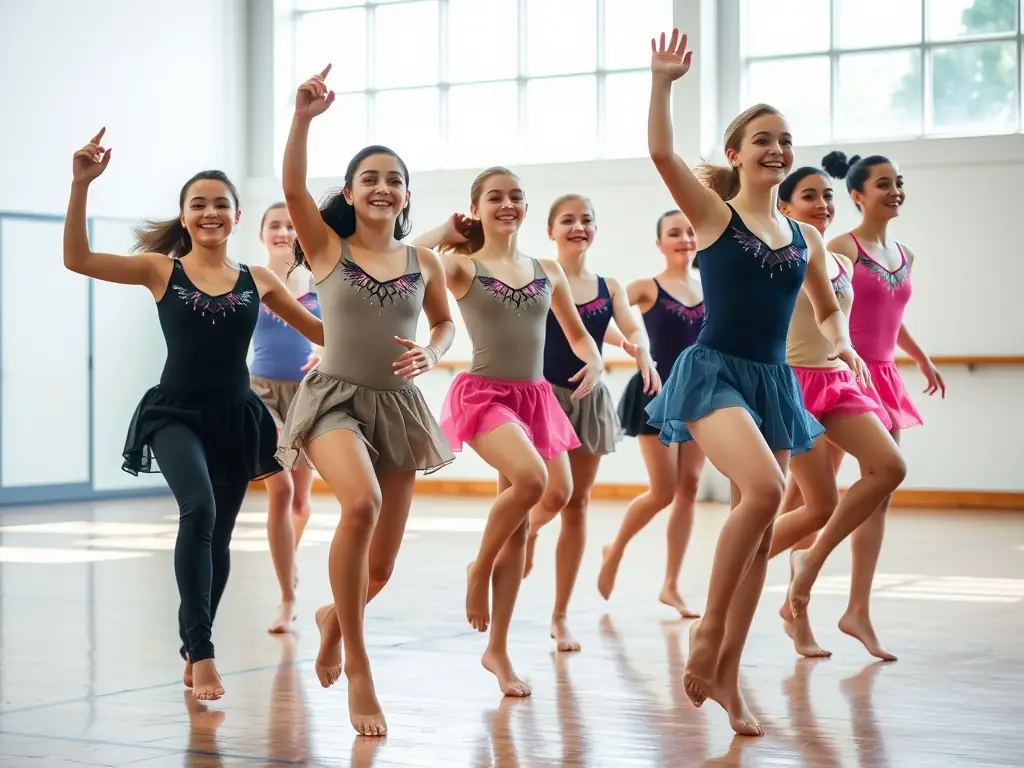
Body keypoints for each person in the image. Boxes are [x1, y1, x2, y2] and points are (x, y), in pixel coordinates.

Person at [643, 30, 869, 736]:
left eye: (786, 139)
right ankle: (706, 634)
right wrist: (662, 83)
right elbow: (660, 153)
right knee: (768, 491)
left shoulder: (804, 237)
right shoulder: (716, 215)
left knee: (762, 520)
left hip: (773, 381)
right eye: (762, 139)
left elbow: (828, 309)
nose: (777, 148)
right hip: (713, 373)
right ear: (736, 154)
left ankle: (728, 680)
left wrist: (842, 347)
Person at [63, 129, 325, 701]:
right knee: (199, 509)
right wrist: (81, 184)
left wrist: (394, 342)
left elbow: (323, 333)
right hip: (176, 413)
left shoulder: (260, 281)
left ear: (235, 218)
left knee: (220, 537)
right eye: (198, 204)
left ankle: (193, 643)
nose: (209, 212)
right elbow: (77, 258)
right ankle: (203, 651)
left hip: (236, 417)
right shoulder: (161, 271)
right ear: (185, 218)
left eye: (220, 204)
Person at [278, 65, 456, 736]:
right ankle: (360, 666)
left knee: (379, 566)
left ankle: (332, 619)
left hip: (398, 408)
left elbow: (442, 323)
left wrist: (434, 353)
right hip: (333, 402)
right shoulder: (327, 247)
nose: (383, 187)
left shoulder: (423, 262)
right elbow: (293, 186)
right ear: (350, 194)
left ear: (406, 196)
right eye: (370, 178)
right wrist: (303, 119)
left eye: (394, 179)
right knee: (361, 503)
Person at [412, 168, 603, 696]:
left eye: (515, 196)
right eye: (494, 197)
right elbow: (406, 261)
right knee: (531, 479)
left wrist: (596, 362)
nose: (507, 205)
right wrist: (445, 230)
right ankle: (480, 567)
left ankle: (496, 649)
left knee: (551, 497)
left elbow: (580, 336)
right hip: (486, 396)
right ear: (477, 207)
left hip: (536, 397)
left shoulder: (547, 270)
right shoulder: (462, 268)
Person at [809, 150, 945, 661]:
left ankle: (857, 609)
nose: (894, 191)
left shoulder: (905, 253)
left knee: (879, 491)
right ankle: (795, 594)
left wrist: (922, 358)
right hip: (841, 375)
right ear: (857, 195)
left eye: (898, 182)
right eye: (882, 184)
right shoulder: (840, 246)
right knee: (812, 502)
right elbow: (830, 308)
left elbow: (894, 316)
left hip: (883, 377)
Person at [768, 167, 907, 659]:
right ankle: (788, 609)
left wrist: (853, 352)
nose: (824, 204)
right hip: (794, 384)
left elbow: (844, 319)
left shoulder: (837, 259)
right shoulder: (781, 254)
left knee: (888, 468)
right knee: (800, 506)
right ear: (783, 206)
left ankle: (809, 566)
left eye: (827, 196)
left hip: (839, 380)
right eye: (809, 196)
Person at [522, 193, 660, 653]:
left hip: (588, 400)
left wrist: (637, 346)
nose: (578, 227)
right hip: (542, 397)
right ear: (550, 230)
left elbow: (625, 325)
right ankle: (527, 529)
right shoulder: (540, 273)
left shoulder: (610, 284)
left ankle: (560, 615)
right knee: (542, 493)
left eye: (586, 220)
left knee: (577, 504)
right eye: (568, 220)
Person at [597, 208, 706, 618]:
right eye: (674, 233)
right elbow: (604, 317)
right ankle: (616, 547)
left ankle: (672, 585)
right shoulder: (647, 287)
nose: (685, 239)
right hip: (655, 392)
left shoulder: (710, 285)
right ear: (659, 243)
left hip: (701, 396)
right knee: (664, 490)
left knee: (690, 486)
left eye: (690, 231)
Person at [249, 202, 323, 634]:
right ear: (262, 235)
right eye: (274, 225)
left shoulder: (318, 282)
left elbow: (336, 333)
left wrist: (323, 354)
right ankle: (287, 595)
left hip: (308, 395)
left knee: (299, 501)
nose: (283, 232)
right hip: (261, 394)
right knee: (278, 489)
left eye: (291, 226)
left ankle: (290, 560)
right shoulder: (251, 280)